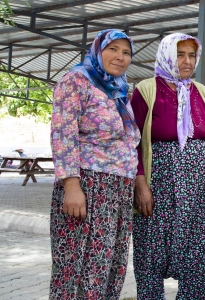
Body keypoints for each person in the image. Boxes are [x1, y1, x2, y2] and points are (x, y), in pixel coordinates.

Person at [130, 33, 205, 299]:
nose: (187, 61)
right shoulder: (146, 89)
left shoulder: (203, 92)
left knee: (198, 253)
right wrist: (140, 184)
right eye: (180, 54)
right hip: (158, 186)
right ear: (167, 55)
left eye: (192, 55)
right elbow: (131, 141)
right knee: (151, 251)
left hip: (201, 191)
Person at [49, 29, 140, 299]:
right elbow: (63, 134)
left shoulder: (120, 89)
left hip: (118, 190)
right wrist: (71, 186)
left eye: (126, 52)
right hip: (88, 186)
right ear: (98, 49)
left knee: (109, 264)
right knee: (77, 266)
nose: (120, 57)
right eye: (113, 49)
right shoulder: (77, 80)